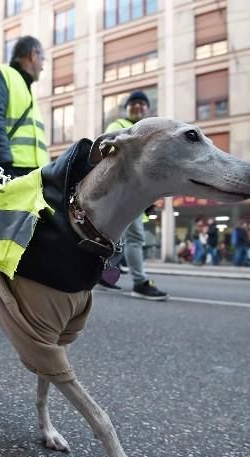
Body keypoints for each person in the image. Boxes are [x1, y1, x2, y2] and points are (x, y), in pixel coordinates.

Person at [96, 90, 168, 300]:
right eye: (133, 103)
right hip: (123, 192)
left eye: (141, 104)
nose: (137, 106)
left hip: (135, 194)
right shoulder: (117, 126)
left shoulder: (151, 132)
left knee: (120, 240)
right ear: (126, 109)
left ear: (148, 109)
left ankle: (102, 274)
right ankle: (140, 282)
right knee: (133, 237)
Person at [0, 35, 49, 178]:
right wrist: (4, 167)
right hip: (9, 172)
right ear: (33, 55)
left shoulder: (27, 90)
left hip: (32, 175)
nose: (43, 66)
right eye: (42, 59)